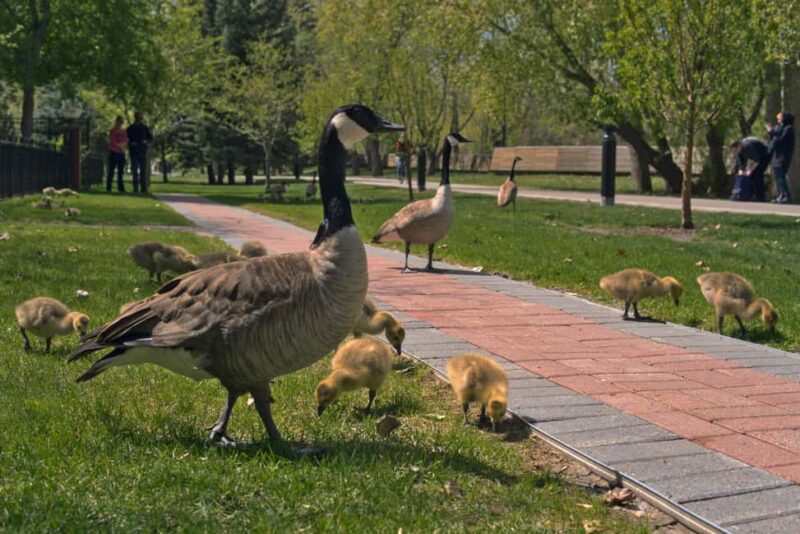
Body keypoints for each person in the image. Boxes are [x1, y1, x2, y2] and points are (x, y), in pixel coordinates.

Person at [729, 137, 771, 202]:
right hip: (757, 159)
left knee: (757, 174)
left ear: (739, 146)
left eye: (735, 151)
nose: (735, 153)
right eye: (733, 152)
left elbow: (757, 160)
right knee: (749, 175)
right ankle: (749, 195)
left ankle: (760, 197)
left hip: (764, 155)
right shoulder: (739, 152)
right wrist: (741, 176)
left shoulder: (747, 146)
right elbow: (741, 166)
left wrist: (750, 171)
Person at [767, 111, 795, 204]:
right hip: (777, 155)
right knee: (777, 177)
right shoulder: (780, 127)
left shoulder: (788, 128)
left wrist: (772, 133)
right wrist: (771, 132)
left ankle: (786, 195)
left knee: (781, 177)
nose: (778, 119)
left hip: (783, 156)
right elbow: (774, 139)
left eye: (780, 117)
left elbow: (780, 140)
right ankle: (781, 195)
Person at [126, 112, 153, 194]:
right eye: (138, 118)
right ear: (135, 118)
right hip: (134, 151)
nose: (139, 119)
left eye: (140, 118)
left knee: (143, 170)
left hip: (142, 150)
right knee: (134, 170)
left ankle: (143, 188)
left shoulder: (145, 128)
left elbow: (150, 138)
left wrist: (146, 142)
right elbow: (126, 139)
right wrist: (131, 143)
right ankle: (135, 188)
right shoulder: (130, 128)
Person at [106, 116, 128, 193]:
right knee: (111, 170)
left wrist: (123, 145)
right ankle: (109, 187)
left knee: (121, 171)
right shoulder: (112, 131)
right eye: (120, 121)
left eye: (122, 121)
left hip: (122, 153)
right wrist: (119, 145)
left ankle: (120, 188)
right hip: (114, 152)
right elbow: (112, 141)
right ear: (117, 121)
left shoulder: (124, 131)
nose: (121, 123)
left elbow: (126, 139)